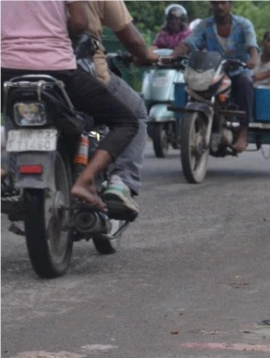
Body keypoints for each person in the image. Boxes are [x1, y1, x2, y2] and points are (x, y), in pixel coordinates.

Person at [0, 0, 140, 216]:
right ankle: (85, 181)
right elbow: (79, 23)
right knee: (126, 121)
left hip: (7, 72)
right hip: (58, 71)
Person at [83, 0, 157, 216]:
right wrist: (145, 56)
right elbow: (132, 40)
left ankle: (16, 174)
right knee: (136, 112)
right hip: (87, 74)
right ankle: (122, 181)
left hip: (18, 73)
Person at [173, 0, 259, 153]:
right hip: (213, 70)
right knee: (192, 83)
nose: (219, 7)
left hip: (238, 70)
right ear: (211, 5)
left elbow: (252, 45)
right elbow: (190, 42)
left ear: (230, 4)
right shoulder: (205, 25)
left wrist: (253, 58)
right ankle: (187, 127)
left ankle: (244, 131)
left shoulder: (244, 24)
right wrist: (175, 54)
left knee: (246, 81)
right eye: (215, 3)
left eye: (223, 3)